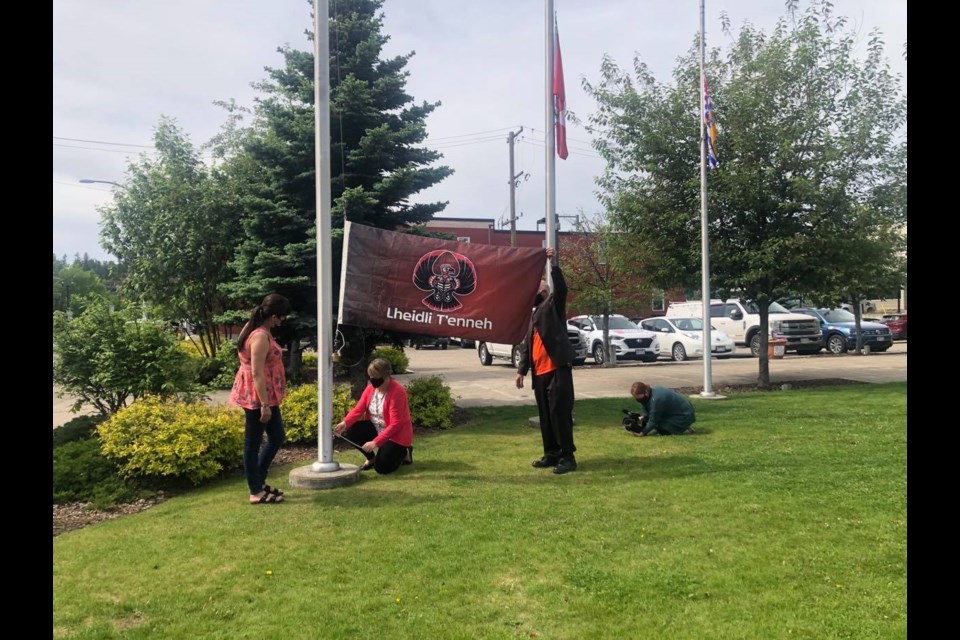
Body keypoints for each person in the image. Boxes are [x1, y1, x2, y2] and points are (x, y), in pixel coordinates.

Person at [515, 247, 578, 474]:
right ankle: (551, 453)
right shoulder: (532, 315)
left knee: (559, 414)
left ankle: (568, 457)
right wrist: (522, 370)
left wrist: (553, 264)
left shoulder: (553, 306)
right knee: (545, 416)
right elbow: (526, 344)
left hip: (557, 370)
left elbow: (561, 288)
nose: (533, 287)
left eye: (538, 284)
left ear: (545, 290)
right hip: (539, 374)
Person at [229, 293, 292, 504]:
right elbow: (257, 372)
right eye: (281, 317)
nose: (282, 321)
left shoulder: (258, 329)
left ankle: (259, 481)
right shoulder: (259, 336)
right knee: (253, 443)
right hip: (258, 397)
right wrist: (264, 405)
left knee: (276, 437)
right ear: (274, 316)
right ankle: (255, 491)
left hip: (267, 396)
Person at [333, 358, 414, 474]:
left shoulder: (398, 392)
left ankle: (405, 452)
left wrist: (375, 442)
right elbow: (358, 409)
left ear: (386, 376)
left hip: (395, 436)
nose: (372, 380)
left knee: (382, 469)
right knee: (351, 429)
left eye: (375, 377)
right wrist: (344, 423)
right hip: (377, 428)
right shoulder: (370, 388)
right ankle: (371, 459)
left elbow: (396, 424)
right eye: (370, 376)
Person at [627, 382, 697, 436]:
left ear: (645, 392)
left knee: (662, 430)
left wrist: (643, 432)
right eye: (636, 398)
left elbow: (653, 420)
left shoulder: (657, 399)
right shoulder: (648, 395)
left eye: (639, 398)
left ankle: (683, 429)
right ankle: (681, 426)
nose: (638, 400)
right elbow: (646, 410)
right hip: (674, 413)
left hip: (684, 414)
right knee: (656, 426)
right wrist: (643, 417)